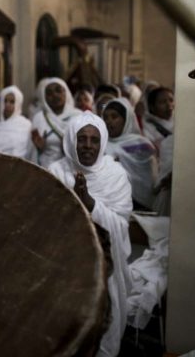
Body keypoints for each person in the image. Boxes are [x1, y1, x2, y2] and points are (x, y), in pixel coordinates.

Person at [49, 112, 132, 357]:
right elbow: (44, 221)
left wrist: (90, 204)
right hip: (64, 266)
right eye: (81, 138)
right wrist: (71, 205)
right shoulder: (56, 172)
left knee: (100, 329)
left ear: (103, 142)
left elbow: (120, 225)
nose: (87, 146)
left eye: (94, 140)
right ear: (70, 141)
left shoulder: (115, 175)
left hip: (103, 266)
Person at [103, 98, 157, 210]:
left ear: (127, 119)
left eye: (114, 117)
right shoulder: (100, 144)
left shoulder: (142, 145)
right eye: (106, 118)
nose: (109, 121)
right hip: (109, 203)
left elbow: (149, 178)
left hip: (139, 204)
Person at [31, 77, 81, 168]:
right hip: (45, 169)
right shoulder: (39, 118)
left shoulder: (78, 117)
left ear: (66, 92)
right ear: (44, 98)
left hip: (71, 169)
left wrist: (69, 148)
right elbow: (32, 149)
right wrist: (38, 148)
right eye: (49, 93)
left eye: (58, 91)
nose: (55, 95)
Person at [0, 86, 32, 159]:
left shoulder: (25, 125)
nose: (7, 105)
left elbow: (29, 151)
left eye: (12, 102)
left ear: (18, 104)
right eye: (5, 101)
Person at [142, 86, 174, 152]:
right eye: (162, 102)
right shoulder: (147, 127)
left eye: (171, 100)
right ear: (152, 107)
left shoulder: (180, 122)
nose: (169, 105)